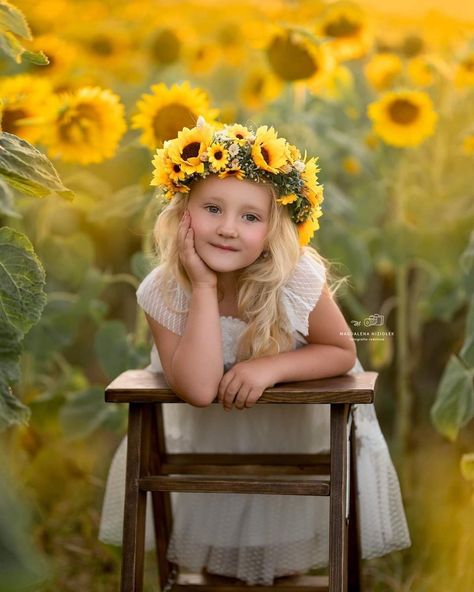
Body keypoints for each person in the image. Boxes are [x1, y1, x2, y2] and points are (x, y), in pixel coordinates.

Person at [99, 117, 411, 585]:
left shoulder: (294, 277)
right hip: (209, 440)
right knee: (215, 553)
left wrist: (271, 367)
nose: (228, 229)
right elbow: (201, 389)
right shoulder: (164, 292)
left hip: (291, 436)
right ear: (182, 209)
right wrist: (203, 286)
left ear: (272, 229)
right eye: (212, 209)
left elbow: (341, 351)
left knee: (282, 557)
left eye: (250, 217)